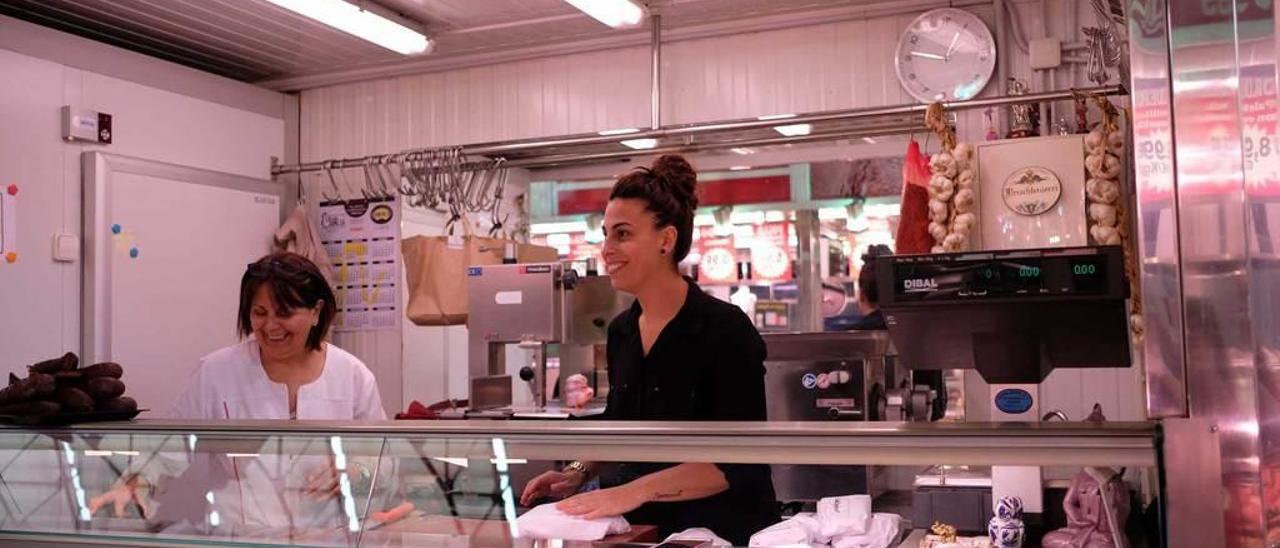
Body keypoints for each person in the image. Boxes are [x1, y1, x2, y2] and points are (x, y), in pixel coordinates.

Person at [519, 155, 779, 545]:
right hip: (642, 532)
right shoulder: (623, 331)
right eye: (605, 234)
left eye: (622, 234)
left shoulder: (725, 329)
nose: (606, 249)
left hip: (720, 534)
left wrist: (628, 492)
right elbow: (621, 422)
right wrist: (577, 470)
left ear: (666, 240)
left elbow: (738, 462)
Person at [88, 252, 388, 530]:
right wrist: (134, 482)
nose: (270, 326)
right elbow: (170, 444)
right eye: (259, 313)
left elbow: (385, 456)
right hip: (238, 536)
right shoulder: (216, 372)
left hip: (327, 537)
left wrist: (356, 470)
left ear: (316, 312)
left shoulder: (353, 376)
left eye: (284, 313)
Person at [848, 244, 947, 420]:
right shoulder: (920, 334)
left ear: (862, 295)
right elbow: (937, 408)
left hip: (860, 439)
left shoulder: (850, 337)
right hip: (918, 437)